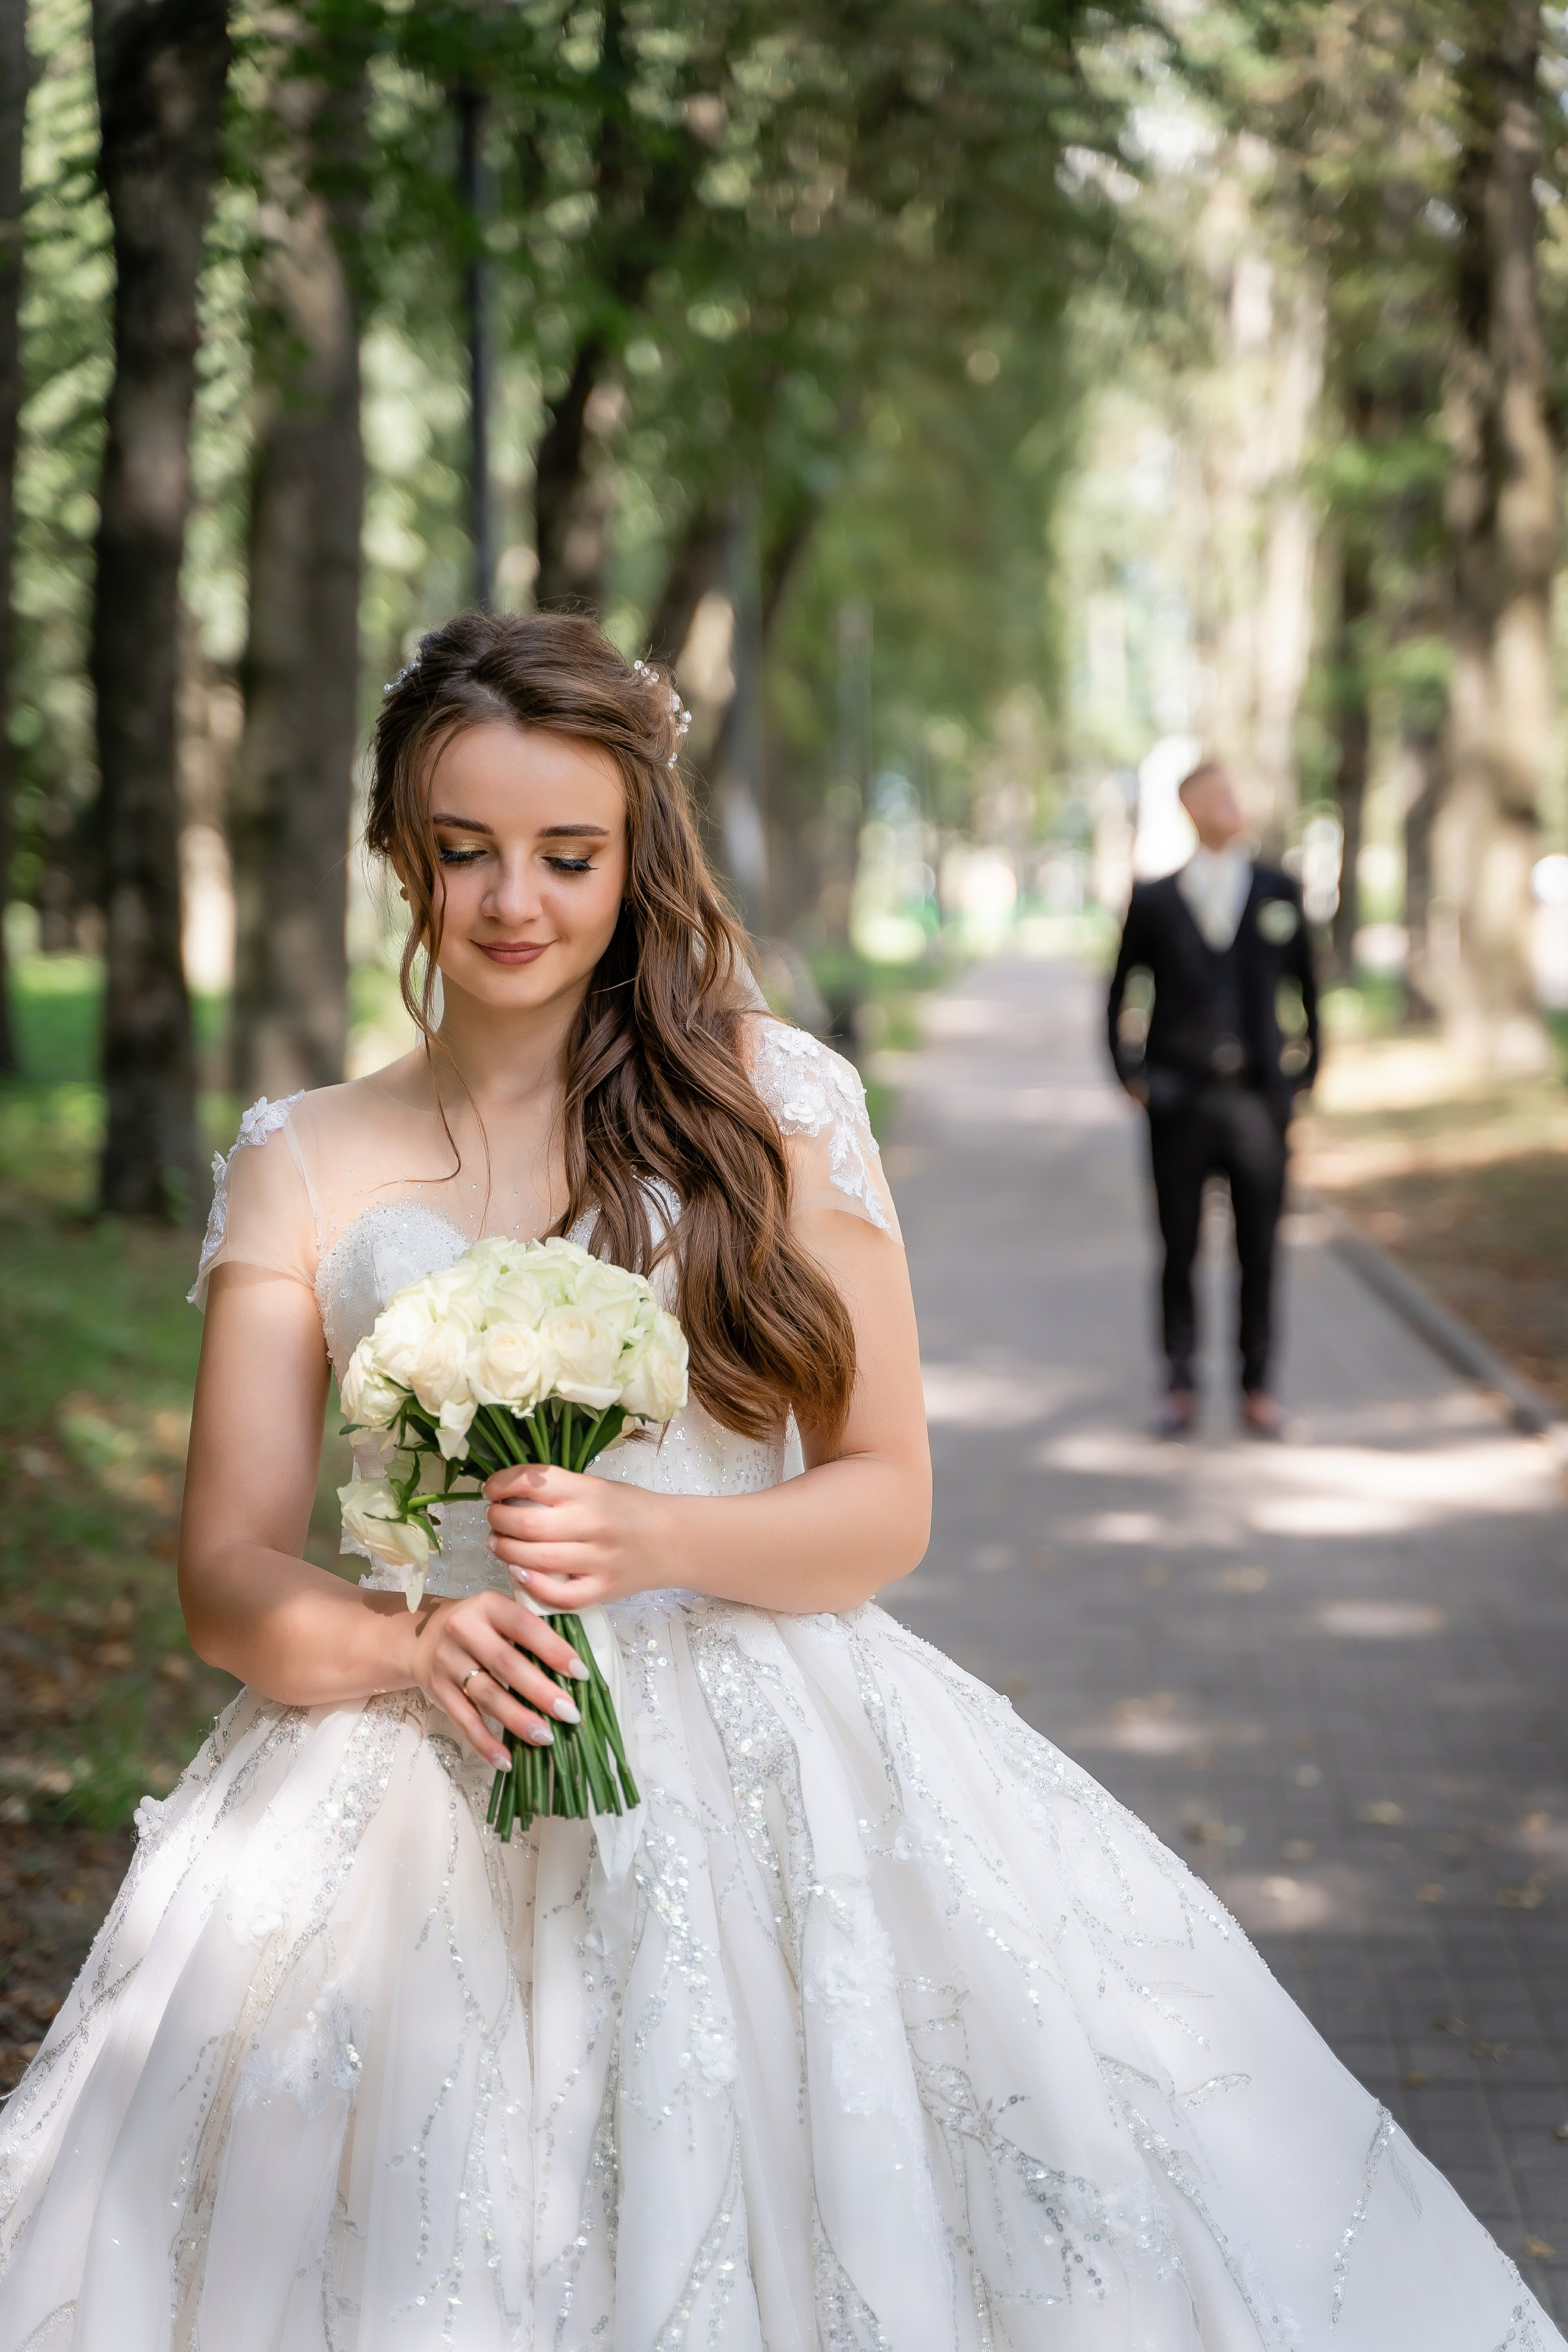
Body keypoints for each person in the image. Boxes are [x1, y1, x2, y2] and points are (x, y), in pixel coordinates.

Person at [0, 617, 1554, 2352]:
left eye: (569, 854)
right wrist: (409, 1644)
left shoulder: (776, 1106)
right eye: (466, 852)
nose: (517, 900)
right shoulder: (303, 1159)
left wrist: (661, 1533)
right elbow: (224, 1572)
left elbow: (888, 1499)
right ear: (396, 856)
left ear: (632, 854)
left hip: (759, 1755)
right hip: (393, 1794)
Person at [1107, 758, 1320, 1439]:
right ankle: (1179, 1383)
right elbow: (1118, 994)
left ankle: (1257, 1385)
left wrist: (1302, 1077)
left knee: (1261, 1248)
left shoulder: (1277, 888)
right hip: (1179, 1106)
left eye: (1236, 790)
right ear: (1190, 808)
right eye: (1218, 793)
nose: (1233, 802)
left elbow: (1307, 989)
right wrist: (1133, 1076)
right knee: (1177, 1248)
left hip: (1258, 1102)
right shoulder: (1155, 899)